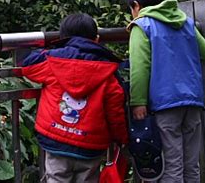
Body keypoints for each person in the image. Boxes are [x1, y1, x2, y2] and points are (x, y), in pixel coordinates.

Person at [21, 13, 128, 183]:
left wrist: (53, 48)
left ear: (63, 37)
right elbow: (115, 111)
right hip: (90, 144)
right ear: (97, 39)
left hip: (56, 139)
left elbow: (28, 66)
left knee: (55, 178)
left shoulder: (52, 60)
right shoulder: (108, 71)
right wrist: (121, 138)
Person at [126, 0, 205, 183]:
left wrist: (138, 102)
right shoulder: (185, 22)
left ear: (136, 5)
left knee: (171, 165)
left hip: (165, 105)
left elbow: (139, 68)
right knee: (191, 164)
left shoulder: (142, 26)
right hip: (192, 101)